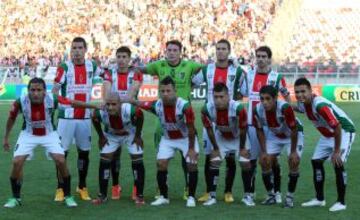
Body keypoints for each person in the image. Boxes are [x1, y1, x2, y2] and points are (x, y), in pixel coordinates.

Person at [3, 77, 99, 208]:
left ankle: (68, 195)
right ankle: (15, 197)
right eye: (32, 90)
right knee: (17, 162)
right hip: (28, 134)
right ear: (28, 91)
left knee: (61, 160)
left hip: (49, 134)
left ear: (44, 91)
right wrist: (6, 138)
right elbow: (11, 118)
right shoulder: (20, 102)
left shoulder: (52, 99)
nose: (35, 93)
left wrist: (94, 105)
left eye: (39, 90)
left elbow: (73, 103)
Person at [140, 40, 203, 200]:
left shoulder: (191, 66)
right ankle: (162, 187)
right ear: (165, 51)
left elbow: (206, 71)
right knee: (160, 156)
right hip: (162, 116)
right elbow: (141, 71)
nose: (172, 52)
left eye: (175, 50)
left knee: (186, 157)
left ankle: (188, 188)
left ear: (180, 52)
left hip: (183, 116)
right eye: (169, 50)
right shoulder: (158, 65)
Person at [130, 76, 199, 207]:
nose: (165, 94)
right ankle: (164, 196)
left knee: (192, 164)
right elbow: (142, 104)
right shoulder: (157, 104)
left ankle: (191, 197)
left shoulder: (185, 106)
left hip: (186, 138)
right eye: (162, 91)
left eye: (168, 91)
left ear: (175, 91)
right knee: (161, 164)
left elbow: (191, 129)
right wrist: (131, 99)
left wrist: (191, 149)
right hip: (168, 139)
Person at [192, 39, 245, 203]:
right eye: (218, 49)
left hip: (229, 119)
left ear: (229, 51)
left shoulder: (237, 72)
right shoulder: (207, 69)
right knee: (209, 156)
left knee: (230, 157)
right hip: (211, 118)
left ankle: (228, 191)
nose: (220, 51)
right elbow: (192, 82)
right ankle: (209, 191)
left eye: (224, 49)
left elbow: (241, 93)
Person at [294, 78, 355, 212]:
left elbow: (337, 126)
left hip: (343, 131)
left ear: (311, 91)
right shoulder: (304, 104)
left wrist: (337, 151)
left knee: (337, 162)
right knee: (316, 161)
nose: (300, 95)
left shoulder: (320, 105)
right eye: (297, 92)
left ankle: (341, 202)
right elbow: (295, 108)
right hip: (328, 134)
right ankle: (319, 199)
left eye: (303, 91)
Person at [52, 37, 102, 201]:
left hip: (85, 117)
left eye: (80, 48)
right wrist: (64, 102)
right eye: (74, 48)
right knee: (62, 154)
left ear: (86, 49)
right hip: (66, 117)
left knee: (84, 153)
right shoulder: (64, 67)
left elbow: (101, 81)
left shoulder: (92, 66)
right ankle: (60, 188)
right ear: (70, 50)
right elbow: (55, 92)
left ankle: (82, 186)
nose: (76, 51)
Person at [239, 46, 291, 203]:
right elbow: (241, 94)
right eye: (258, 56)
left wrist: (287, 116)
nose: (260, 59)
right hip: (252, 125)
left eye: (264, 56)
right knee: (252, 160)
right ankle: (251, 193)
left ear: (269, 59)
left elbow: (287, 97)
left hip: (272, 126)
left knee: (272, 160)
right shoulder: (249, 75)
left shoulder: (277, 77)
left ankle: (276, 193)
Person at [102, 46, 143, 200]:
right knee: (114, 155)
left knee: (135, 156)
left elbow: (132, 95)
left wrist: (115, 101)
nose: (121, 60)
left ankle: (136, 187)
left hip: (131, 120)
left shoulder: (136, 74)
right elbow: (106, 96)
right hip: (112, 119)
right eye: (119, 56)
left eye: (124, 56)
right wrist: (116, 101)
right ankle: (115, 186)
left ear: (129, 58)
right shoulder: (109, 73)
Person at [200, 83, 252, 206]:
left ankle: (247, 196)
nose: (218, 100)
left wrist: (242, 148)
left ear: (228, 96)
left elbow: (243, 129)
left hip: (238, 136)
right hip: (221, 135)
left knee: (245, 162)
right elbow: (209, 130)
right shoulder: (206, 109)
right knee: (214, 160)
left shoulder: (238, 108)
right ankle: (212, 196)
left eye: (221, 96)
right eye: (215, 97)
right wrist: (216, 148)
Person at [253, 85, 304, 207]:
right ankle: (271, 196)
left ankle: (289, 198)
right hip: (275, 135)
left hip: (293, 134)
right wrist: (264, 151)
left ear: (275, 98)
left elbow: (294, 129)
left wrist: (293, 152)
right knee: (264, 161)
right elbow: (259, 130)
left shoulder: (285, 108)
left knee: (293, 161)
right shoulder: (257, 109)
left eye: (268, 99)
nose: (264, 102)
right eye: (262, 99)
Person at [91, 93, 145, 206]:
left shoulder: (130, 110)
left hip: (130, 133)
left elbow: (140, 116)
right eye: (108, 104)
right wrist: (101, 137)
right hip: (111, 134)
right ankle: (103, 195)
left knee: (136, 157)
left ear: (120, 104)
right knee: (105, 158)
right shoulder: (100, 112)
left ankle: (139, 195)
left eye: (114, 104)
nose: (110, 107)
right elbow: (94, 118)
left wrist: (138, 136)